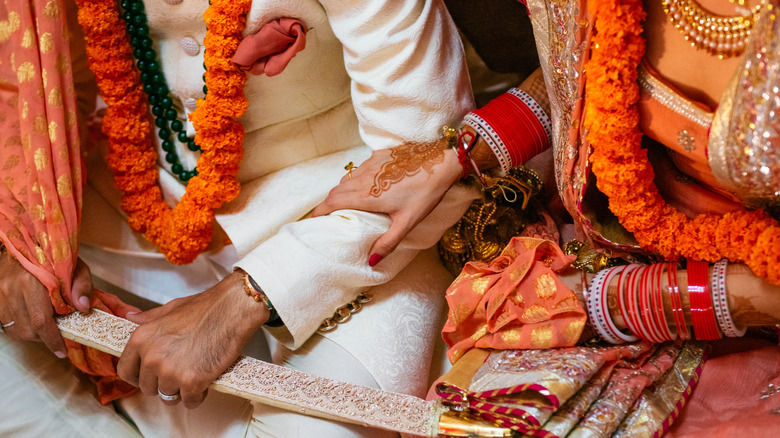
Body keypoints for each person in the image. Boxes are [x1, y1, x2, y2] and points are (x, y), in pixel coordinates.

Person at [0, 0, 478, 436]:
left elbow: (429, 161)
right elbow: (42, 83)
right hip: (133, 215)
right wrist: (20, 233)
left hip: (340, 227)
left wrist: (247, 296)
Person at [316, 0, 780, 435]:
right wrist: (460, 154)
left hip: (746, 298)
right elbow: (584, 64)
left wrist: (639, 301)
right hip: (614, 233)